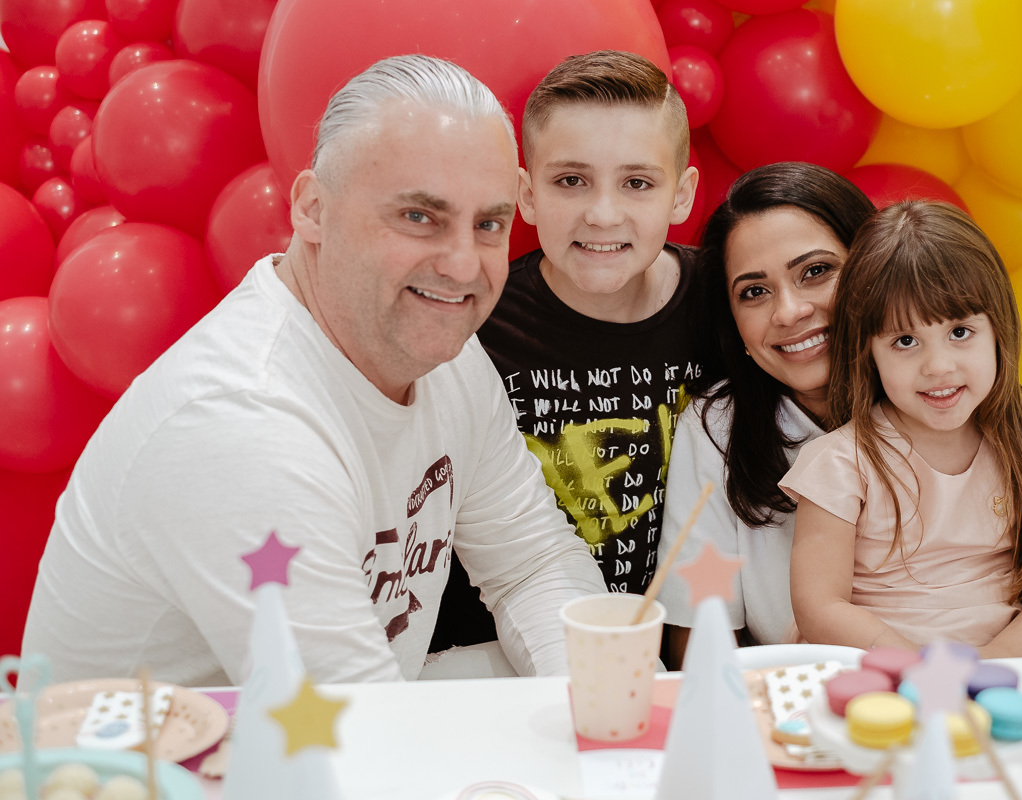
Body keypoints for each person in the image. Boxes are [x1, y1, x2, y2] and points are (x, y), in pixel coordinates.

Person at [22, 55, 607, 687]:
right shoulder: (241, 422)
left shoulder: (450, 360)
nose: (465, 267)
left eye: (489, 224)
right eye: (419, 217)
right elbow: (349, 738)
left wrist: (606, 714)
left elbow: (533, 563)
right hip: (148, 778)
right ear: (311, 209)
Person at [433, 51, 703, 649]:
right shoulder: (471, 323)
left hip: (676, 658)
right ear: (525, 195)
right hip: (494, 664)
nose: (603, 214)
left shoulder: (725, 306)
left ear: (681, 195)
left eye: (637, 183)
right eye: (571, 180)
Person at [783, 200, 1022, 656]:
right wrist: (921, 670)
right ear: (868, 351)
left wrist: (996, 662)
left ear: (997, 330)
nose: (938, 366)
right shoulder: (840, 463)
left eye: (960, 332)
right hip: (883, 675)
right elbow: (819, 605)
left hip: (1010, 666)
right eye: (905, 341)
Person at [655, 163, 877, 668]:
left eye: (816, 271)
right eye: (754, 291)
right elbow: (700, 647)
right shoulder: (715, 432)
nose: (789, 311)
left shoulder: (949, 393)